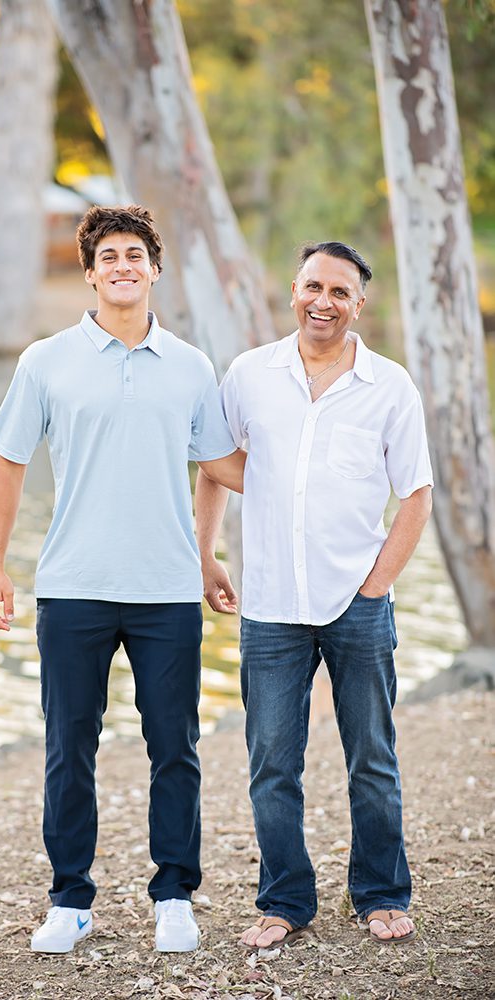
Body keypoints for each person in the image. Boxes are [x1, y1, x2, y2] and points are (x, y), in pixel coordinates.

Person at [0, 205, 245, 955]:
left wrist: (206, 553)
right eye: (108, 256)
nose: (123, 266)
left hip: (166, 590)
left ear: (154, 269)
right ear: (89, 272)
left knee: (175, 745)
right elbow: (8, 462)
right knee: (69, 745)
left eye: (136, 254)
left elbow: (218, 466)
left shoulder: (191, 365)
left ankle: (173, 894)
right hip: (72, 587)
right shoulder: (45, 360)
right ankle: (69, 899)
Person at [196, 241, 433, 948]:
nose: (321, 301)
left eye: (338, 291)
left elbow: (415, 496)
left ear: (358, 304)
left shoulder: (388, 386)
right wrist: (204, 552)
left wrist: (377, 584)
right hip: (267, 605)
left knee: (372, 757)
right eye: (310, 287)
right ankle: (284, 902)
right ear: (291, 292)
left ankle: (382, 894)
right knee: (272, 763)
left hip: (355, 603)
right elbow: (212, 464)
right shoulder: (248, 375)